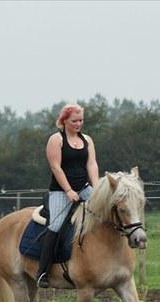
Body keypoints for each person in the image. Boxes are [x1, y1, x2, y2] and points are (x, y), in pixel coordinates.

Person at [36, 103, 99, 288]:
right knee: (56, 225)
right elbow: (56, 167)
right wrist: (69, 190)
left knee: (104, 214)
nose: (78, 124)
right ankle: (43, 271)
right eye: (74, 121)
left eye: (81, 120)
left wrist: (96, 189)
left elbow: (92, 165)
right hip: (60, 190)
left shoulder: (87, 140)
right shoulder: (56, 139)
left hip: (84, 187)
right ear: (64, 121)